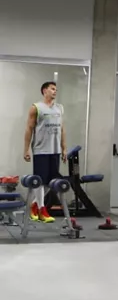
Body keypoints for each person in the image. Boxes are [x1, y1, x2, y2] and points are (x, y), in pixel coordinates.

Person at [23, 81, 65, 224]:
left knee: (50, 181)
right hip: (41, 149)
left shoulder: (59, 108)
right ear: (44, 91)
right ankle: (42, 210)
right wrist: (26, 149)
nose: (55, 91)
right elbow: (29, 129)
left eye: (56, 89)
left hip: (55, 150)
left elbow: (62, 129)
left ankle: (34, 205)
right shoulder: (36, 108)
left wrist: (64, 148)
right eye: (52, 89)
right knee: (40, 181)